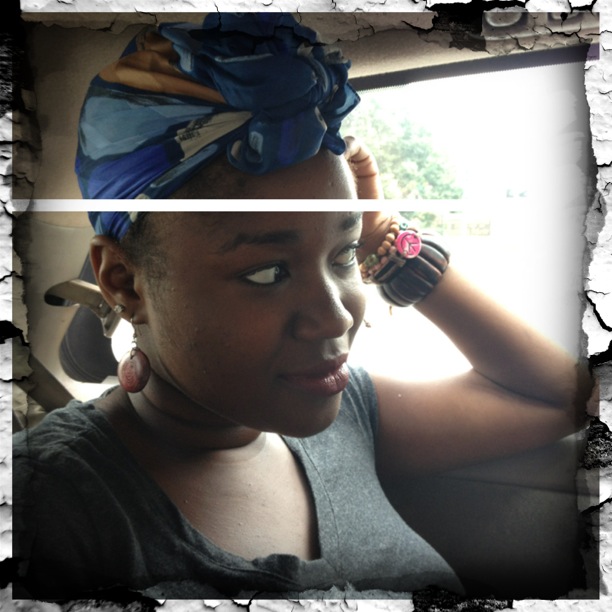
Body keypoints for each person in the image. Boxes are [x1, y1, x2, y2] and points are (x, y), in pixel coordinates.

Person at [13, 13, 591, 601]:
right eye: (267, 272)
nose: (338, 317)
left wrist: (386, 240)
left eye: (344, 256)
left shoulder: (347, 410)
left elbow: (566, 397)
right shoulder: (50, 502)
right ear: (125, 282)